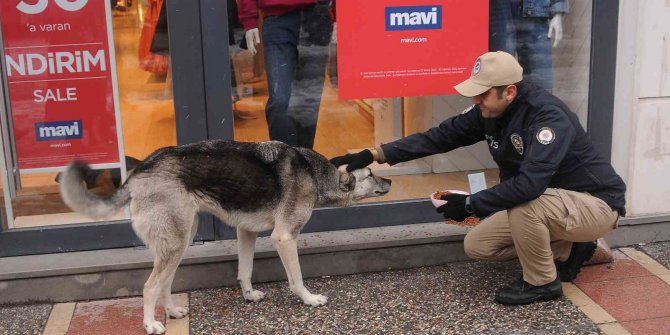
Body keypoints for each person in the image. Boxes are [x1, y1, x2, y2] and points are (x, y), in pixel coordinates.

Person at [330, 51, 626, 305]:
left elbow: (529, 186)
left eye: (482, 93)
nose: (476, 99)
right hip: (551, 205)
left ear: (509, 91)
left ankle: (542, 283)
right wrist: (375, 154)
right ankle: (573, 247)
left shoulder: (547, 117)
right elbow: (439, 137)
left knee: (526, 202)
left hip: (595, 204)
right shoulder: (489, 111)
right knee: (478, 245)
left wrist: (471, 204)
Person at [237, 0, 334, 149]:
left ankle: (303, 163)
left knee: (308, 102)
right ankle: (285, 162)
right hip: (278, 19)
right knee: (279, 101)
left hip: (318, 16)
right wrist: (249, 19)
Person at [489, 0, 569, 92]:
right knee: (499, 79)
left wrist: (557, 11)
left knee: (540, 80)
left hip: (535, 10)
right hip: (499, 9)